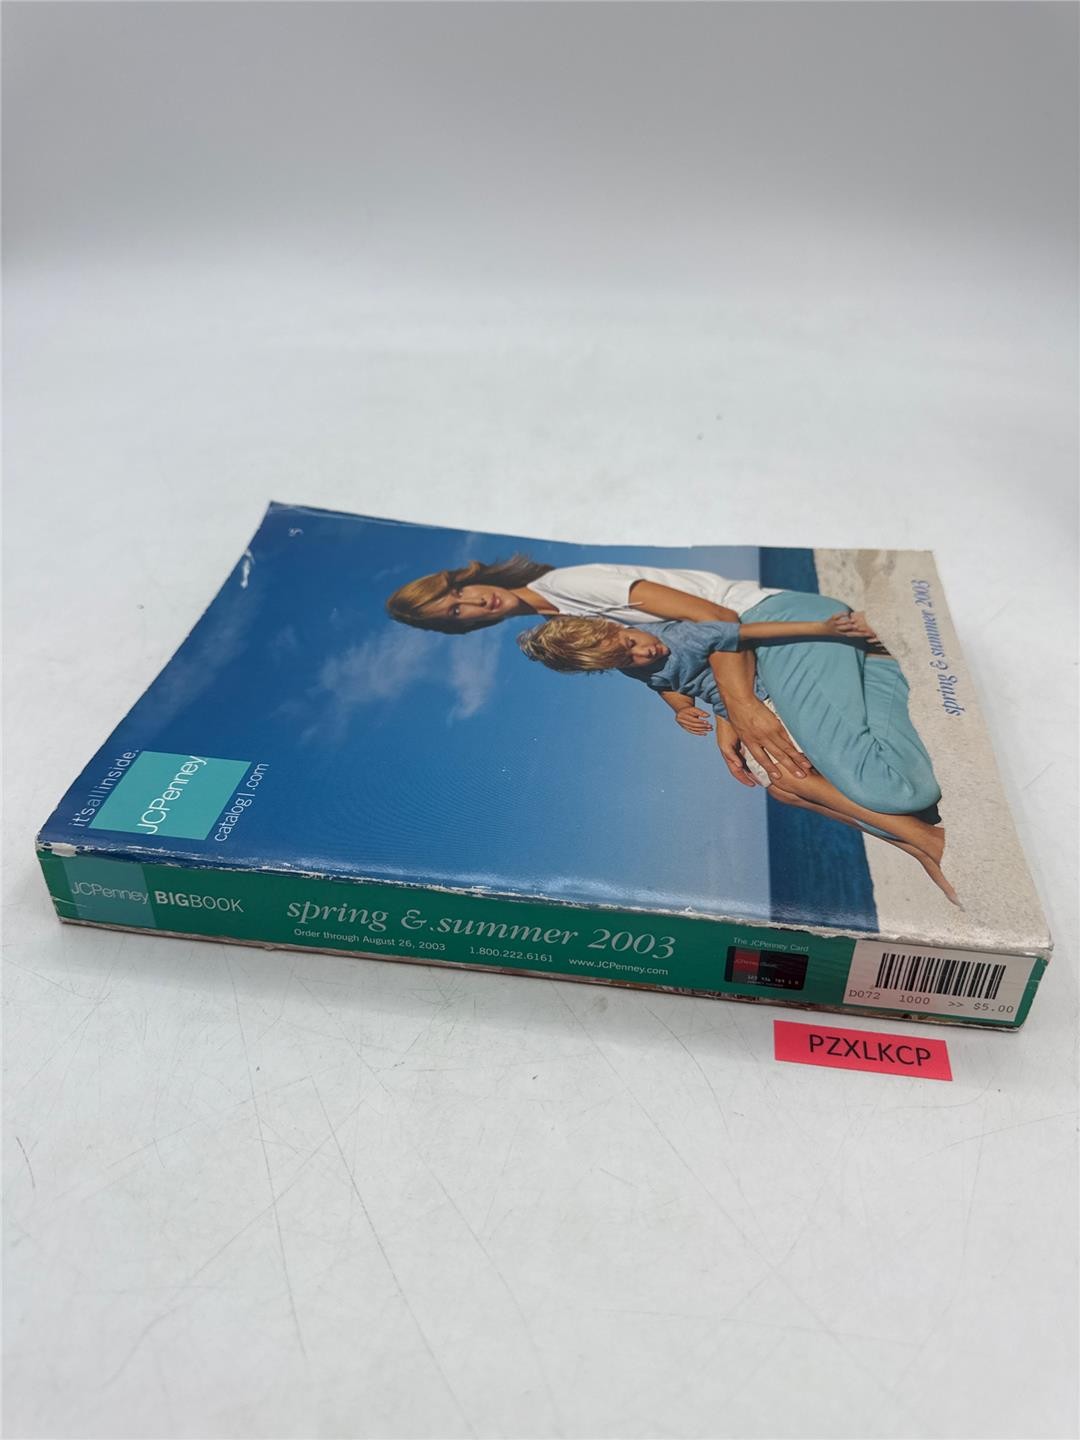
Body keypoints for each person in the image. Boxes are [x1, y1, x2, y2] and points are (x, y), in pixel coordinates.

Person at [515, 612, 957, 905]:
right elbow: (669, 687)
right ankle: (913, 845)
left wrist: (821, 627)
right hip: (738, 711)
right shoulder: (635, 664)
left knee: (789, 779)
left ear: (615, 624)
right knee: (782, 792)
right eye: (624, 658)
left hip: (767, 697)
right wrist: (681, 711)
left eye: (631, 642)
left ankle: (926, 839)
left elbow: (744, 637)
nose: (642, 654)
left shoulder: (678, 634)